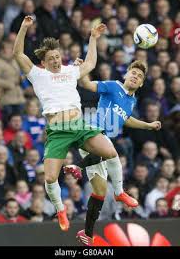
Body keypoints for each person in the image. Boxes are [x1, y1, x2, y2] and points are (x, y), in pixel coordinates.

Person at [13, 15, 122, 233]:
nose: (54, 60)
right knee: (51, 177)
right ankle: (60, 210)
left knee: (110, 151)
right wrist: (24, 28)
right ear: (43, 62)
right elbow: (17, 54)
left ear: (60, 56)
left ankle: (120, 191)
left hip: (78, 124)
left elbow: (91, 63)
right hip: (57, 130)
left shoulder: (71, 71)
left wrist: (93, 38)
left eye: (56, 56)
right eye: (50, 58)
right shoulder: (38, 74)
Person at [65, 60, 161, 245]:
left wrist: (148, 125)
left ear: (141, 84)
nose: (135, 76)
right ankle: (118, 191)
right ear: (126, 74)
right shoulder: (112, 86)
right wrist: (81, 69)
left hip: (99, 145)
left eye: (139, 76)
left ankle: (87, 233)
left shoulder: (131, 100)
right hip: (92, 132)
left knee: (100, 191)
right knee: (113, 155)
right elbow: (86, 84)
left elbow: (126, 119)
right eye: (133, 73)